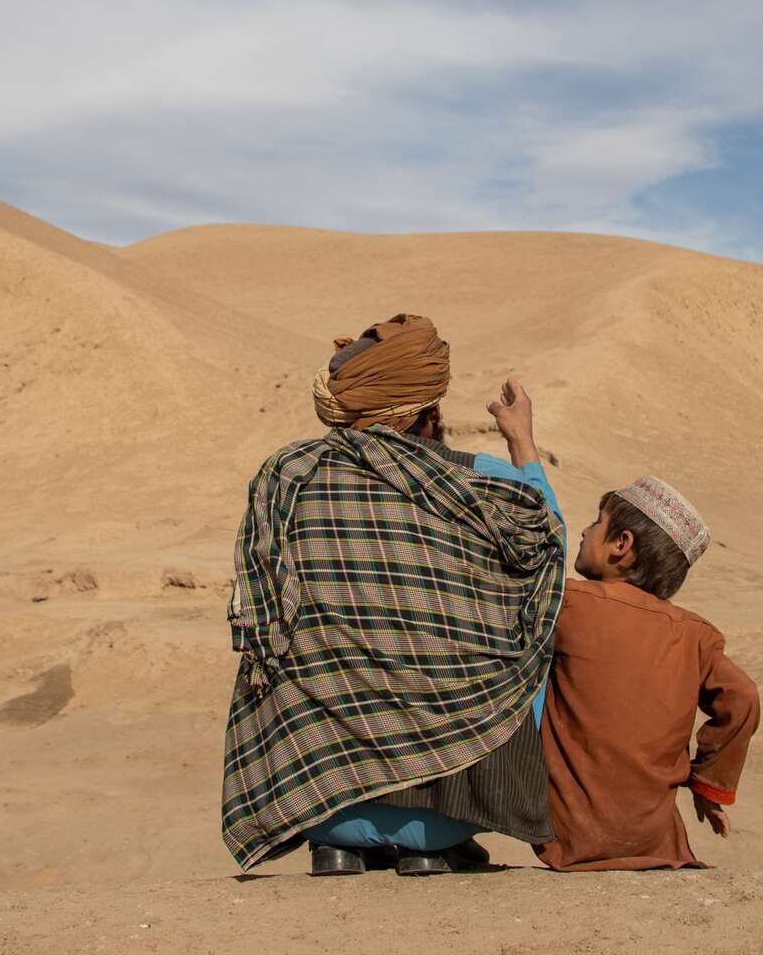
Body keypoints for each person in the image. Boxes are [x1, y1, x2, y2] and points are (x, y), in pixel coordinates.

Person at [222, 313, 565, 877]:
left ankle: (338, 844)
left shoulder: (287, 475)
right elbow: (545, 541)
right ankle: (436, 839)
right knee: (533, 622)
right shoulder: (479, 478)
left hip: (317, 797)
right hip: (449, 811)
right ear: (429, 412)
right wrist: (521, 440)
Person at [534, 477, 759, 871]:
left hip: (566, 837)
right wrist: (709, 786)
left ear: (622, 544)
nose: (585, 530)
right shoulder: (695, 635)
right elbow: (744, 698)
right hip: (654, 841)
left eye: (596, 522)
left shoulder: (568, 603)